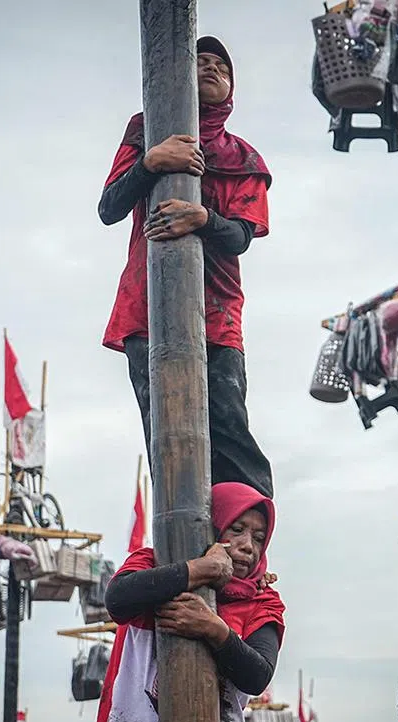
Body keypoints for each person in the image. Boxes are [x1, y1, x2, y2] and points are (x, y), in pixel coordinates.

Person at [98, 35, 275, 499]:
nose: (211, 68)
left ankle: (248, 547)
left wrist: (202, 218)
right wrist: (151, 162)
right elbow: (110, 207)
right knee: (166, 437)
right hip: (146, 307)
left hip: (216, 311)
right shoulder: (144, 131)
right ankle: (183, 554)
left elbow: (240, 236)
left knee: (229, 429)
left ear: (232, 86)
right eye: (201, 61)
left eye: (222, 65)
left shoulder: (244, 158)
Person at [93, 482, 285, 722]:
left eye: (258, 537)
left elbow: (257, 676)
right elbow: (118, 600)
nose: (248, 546)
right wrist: (200, 570)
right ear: (214, 528)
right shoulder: (153, 563)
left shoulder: (261, 601)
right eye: (237, 529)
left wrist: (214, 629)